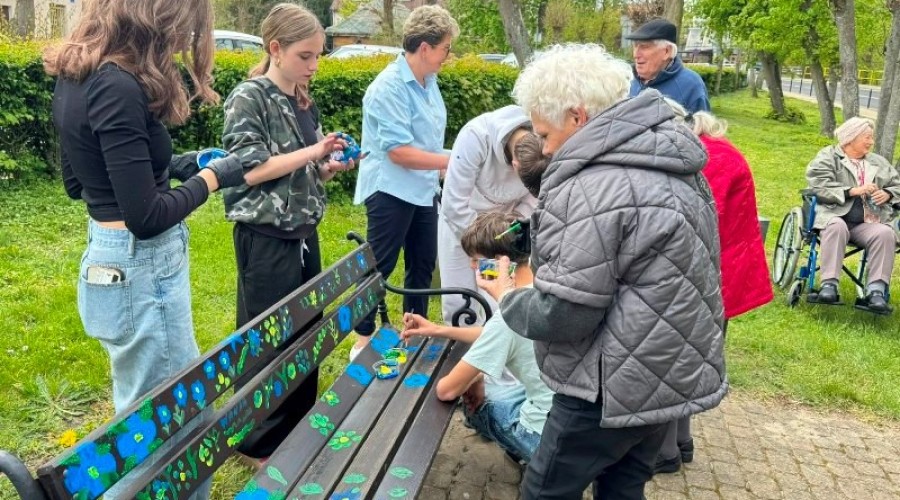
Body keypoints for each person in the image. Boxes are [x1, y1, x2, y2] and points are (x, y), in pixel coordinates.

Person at [479, 44, 727, 499]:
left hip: (607, 384)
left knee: (545, 491)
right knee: (623, 487)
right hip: (664, 372)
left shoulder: (593, 183)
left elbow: (567, 314)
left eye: (545, 135)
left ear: (577, 117)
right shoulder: (670, 160)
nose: (545, 149)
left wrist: (508, 299)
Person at [44, 0, 246, 497]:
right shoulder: (119, 85)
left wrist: (178, 165)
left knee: (142, 418)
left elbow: (82, 183)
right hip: (142, 269)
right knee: (176, 425)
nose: (185, 41)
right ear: (161, 19)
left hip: (108, 260)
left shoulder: (79, 74)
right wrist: (211, 178)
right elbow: (147, 217)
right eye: (187, 29)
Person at [221, 3, 354, 464]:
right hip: (265, 236)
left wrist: (327, 166)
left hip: (302, 231)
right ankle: (257, 443)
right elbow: (252, 170)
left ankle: (296, 424)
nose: (313, 66)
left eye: (318, 56)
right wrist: (315, 150)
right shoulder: (248, 98)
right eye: (305, 56)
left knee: (305, 332)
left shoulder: (301, 99)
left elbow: (303, 172)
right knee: (265, 340)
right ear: (275, 48)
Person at [654, 104, 773, 474]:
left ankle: (665, 451)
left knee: (672, 359)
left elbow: (693, 219)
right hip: (723, 272)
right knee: (690, 357)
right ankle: (682, 441)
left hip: (711, 274)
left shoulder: (708, 158)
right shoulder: (716, 149)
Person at [351, 5, 459, 358]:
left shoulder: (431, 83)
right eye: (445, 48)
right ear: (425, 48)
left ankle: (415, 333)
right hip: (390, 190)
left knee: (423, 263)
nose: (448, 56)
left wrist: (449, 159)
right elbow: (399, 152)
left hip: (423, 189)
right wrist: (454, 160)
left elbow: (425, 145)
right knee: (380, 265)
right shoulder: (388, 87)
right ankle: (362, 340)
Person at [402, 211, 554, 463]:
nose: (472, 267)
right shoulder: (545, 287)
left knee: (476, 403)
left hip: (542, 436)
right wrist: (437, 329)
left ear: (499, 262)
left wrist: (475, 376)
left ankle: (529, 454)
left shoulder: (508, 314)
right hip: (571, 416)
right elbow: (498, 334)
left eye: (476, 260)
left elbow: (446, 391)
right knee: (502, 388)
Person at [439, 105, 537, 323]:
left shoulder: (541, 142)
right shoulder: (476, 136)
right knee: (458, 300)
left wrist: (508, 229)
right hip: (462, 223)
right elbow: (453, 202)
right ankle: (462, 350)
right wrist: (480, 242)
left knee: (501, 300)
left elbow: (533, 199)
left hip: (505, 228)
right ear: (514, 164)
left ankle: (498, 348)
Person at [805, 117, 900, 313]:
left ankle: (876, 291)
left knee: (885, 233)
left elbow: (897, 184)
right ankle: (828, 284)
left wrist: (889, 193)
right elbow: (817, 184)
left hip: (866, 222)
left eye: (871, 137)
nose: (871, 142)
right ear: (851, 138)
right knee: (836, 226)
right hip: (834, 216)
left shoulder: (878, 162)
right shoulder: (828, 157)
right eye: (866, 137)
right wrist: (851, 191)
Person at [626, 18, 710, 113]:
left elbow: (702, 125)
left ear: (667, 51)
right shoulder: (627, 79)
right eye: (635, 46)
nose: (636, 55)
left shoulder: (691, 85)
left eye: (644, 47)